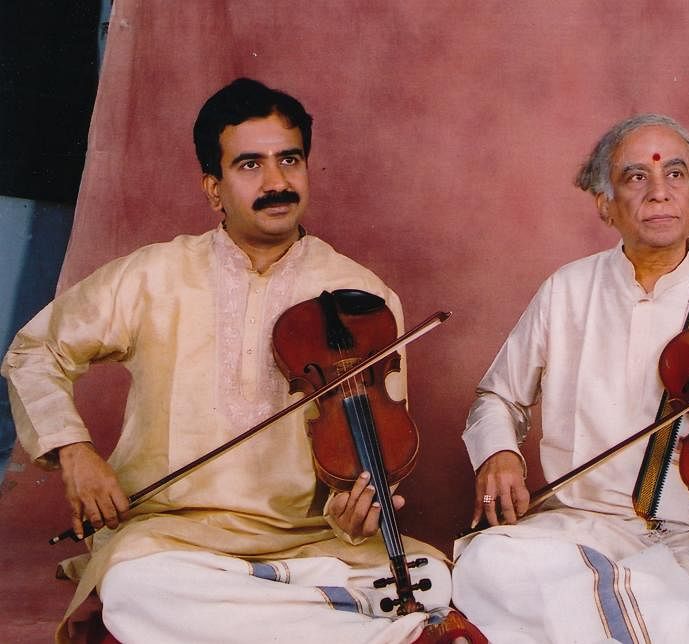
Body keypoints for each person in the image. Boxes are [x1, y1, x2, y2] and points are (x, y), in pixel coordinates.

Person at [4, 78, 459, 644]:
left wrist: (353, 516)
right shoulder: (154, 274)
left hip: (312, 543)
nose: (276, 182)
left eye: (289, 159)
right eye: (250, 165)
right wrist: (74, 452)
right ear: (214, 189)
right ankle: (380, 635)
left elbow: (370, 458)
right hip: (176, 539)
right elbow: (34, 351)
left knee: (430, 576)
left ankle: (271, 619)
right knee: (136, 585)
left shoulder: (363, 298)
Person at [451, 113, 689, 643]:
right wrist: (499, 452)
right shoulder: (567, 289)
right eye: (637, 177)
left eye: (676, 175)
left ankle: (647, 615)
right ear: (605, 204)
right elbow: (496, 398)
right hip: (579, 533)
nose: (660, 192)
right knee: (487, 561)